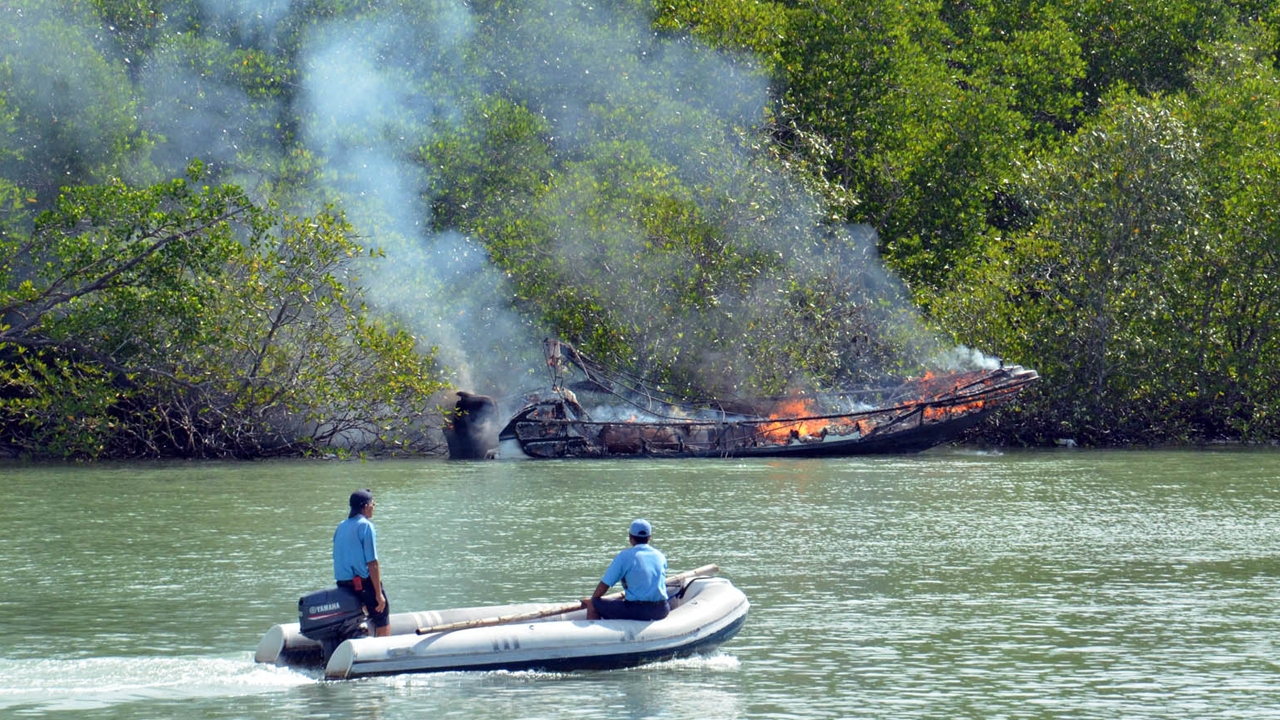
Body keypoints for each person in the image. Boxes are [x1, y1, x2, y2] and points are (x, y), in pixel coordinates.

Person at [585, 518, 669, 621]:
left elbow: (605, 584)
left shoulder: (624, 557)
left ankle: (596, 635)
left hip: (637, 610)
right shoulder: (660, 556)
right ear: (649, 538)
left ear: (630, 538)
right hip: (661, 610)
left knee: (594, 603)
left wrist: (593, 599)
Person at [332, 488, 390, 636]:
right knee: (382, 612)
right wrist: (378, 594)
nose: (374, 507)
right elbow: (372, 563)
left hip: (343, 585)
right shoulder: (365, 525)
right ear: (365, 506)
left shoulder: (341, 526)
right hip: (363, 584)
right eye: (373, 504)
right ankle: (384, 651)